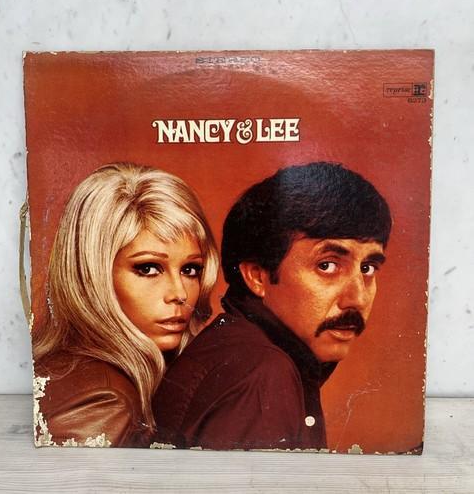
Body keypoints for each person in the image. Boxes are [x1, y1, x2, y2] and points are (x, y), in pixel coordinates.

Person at [153, 162, 392, 451]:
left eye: (367, 268)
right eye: (327, 265)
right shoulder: (261, 376)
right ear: (258, 276)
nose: (357, 298)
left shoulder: (244, 353)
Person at [33, 162, 218, 447]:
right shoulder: (104, 403)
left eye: (190, 269)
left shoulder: (77, 370)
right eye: (148, 268)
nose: (179, 293)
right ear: (94, 274)